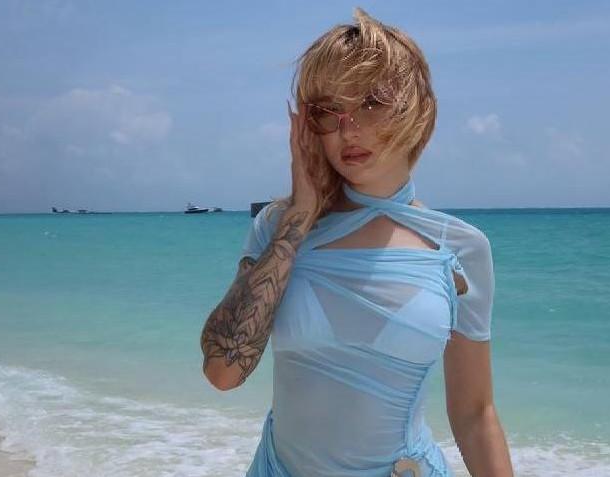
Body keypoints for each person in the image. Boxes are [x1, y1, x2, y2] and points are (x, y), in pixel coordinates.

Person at [201, 7, 514, 477]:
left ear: (417, 108)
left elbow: (475, 415)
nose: (349, 129)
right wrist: (300, 217)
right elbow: (222, 370)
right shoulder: (279, 228)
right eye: (328, 111)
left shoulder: (457, 249)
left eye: (371, 102)